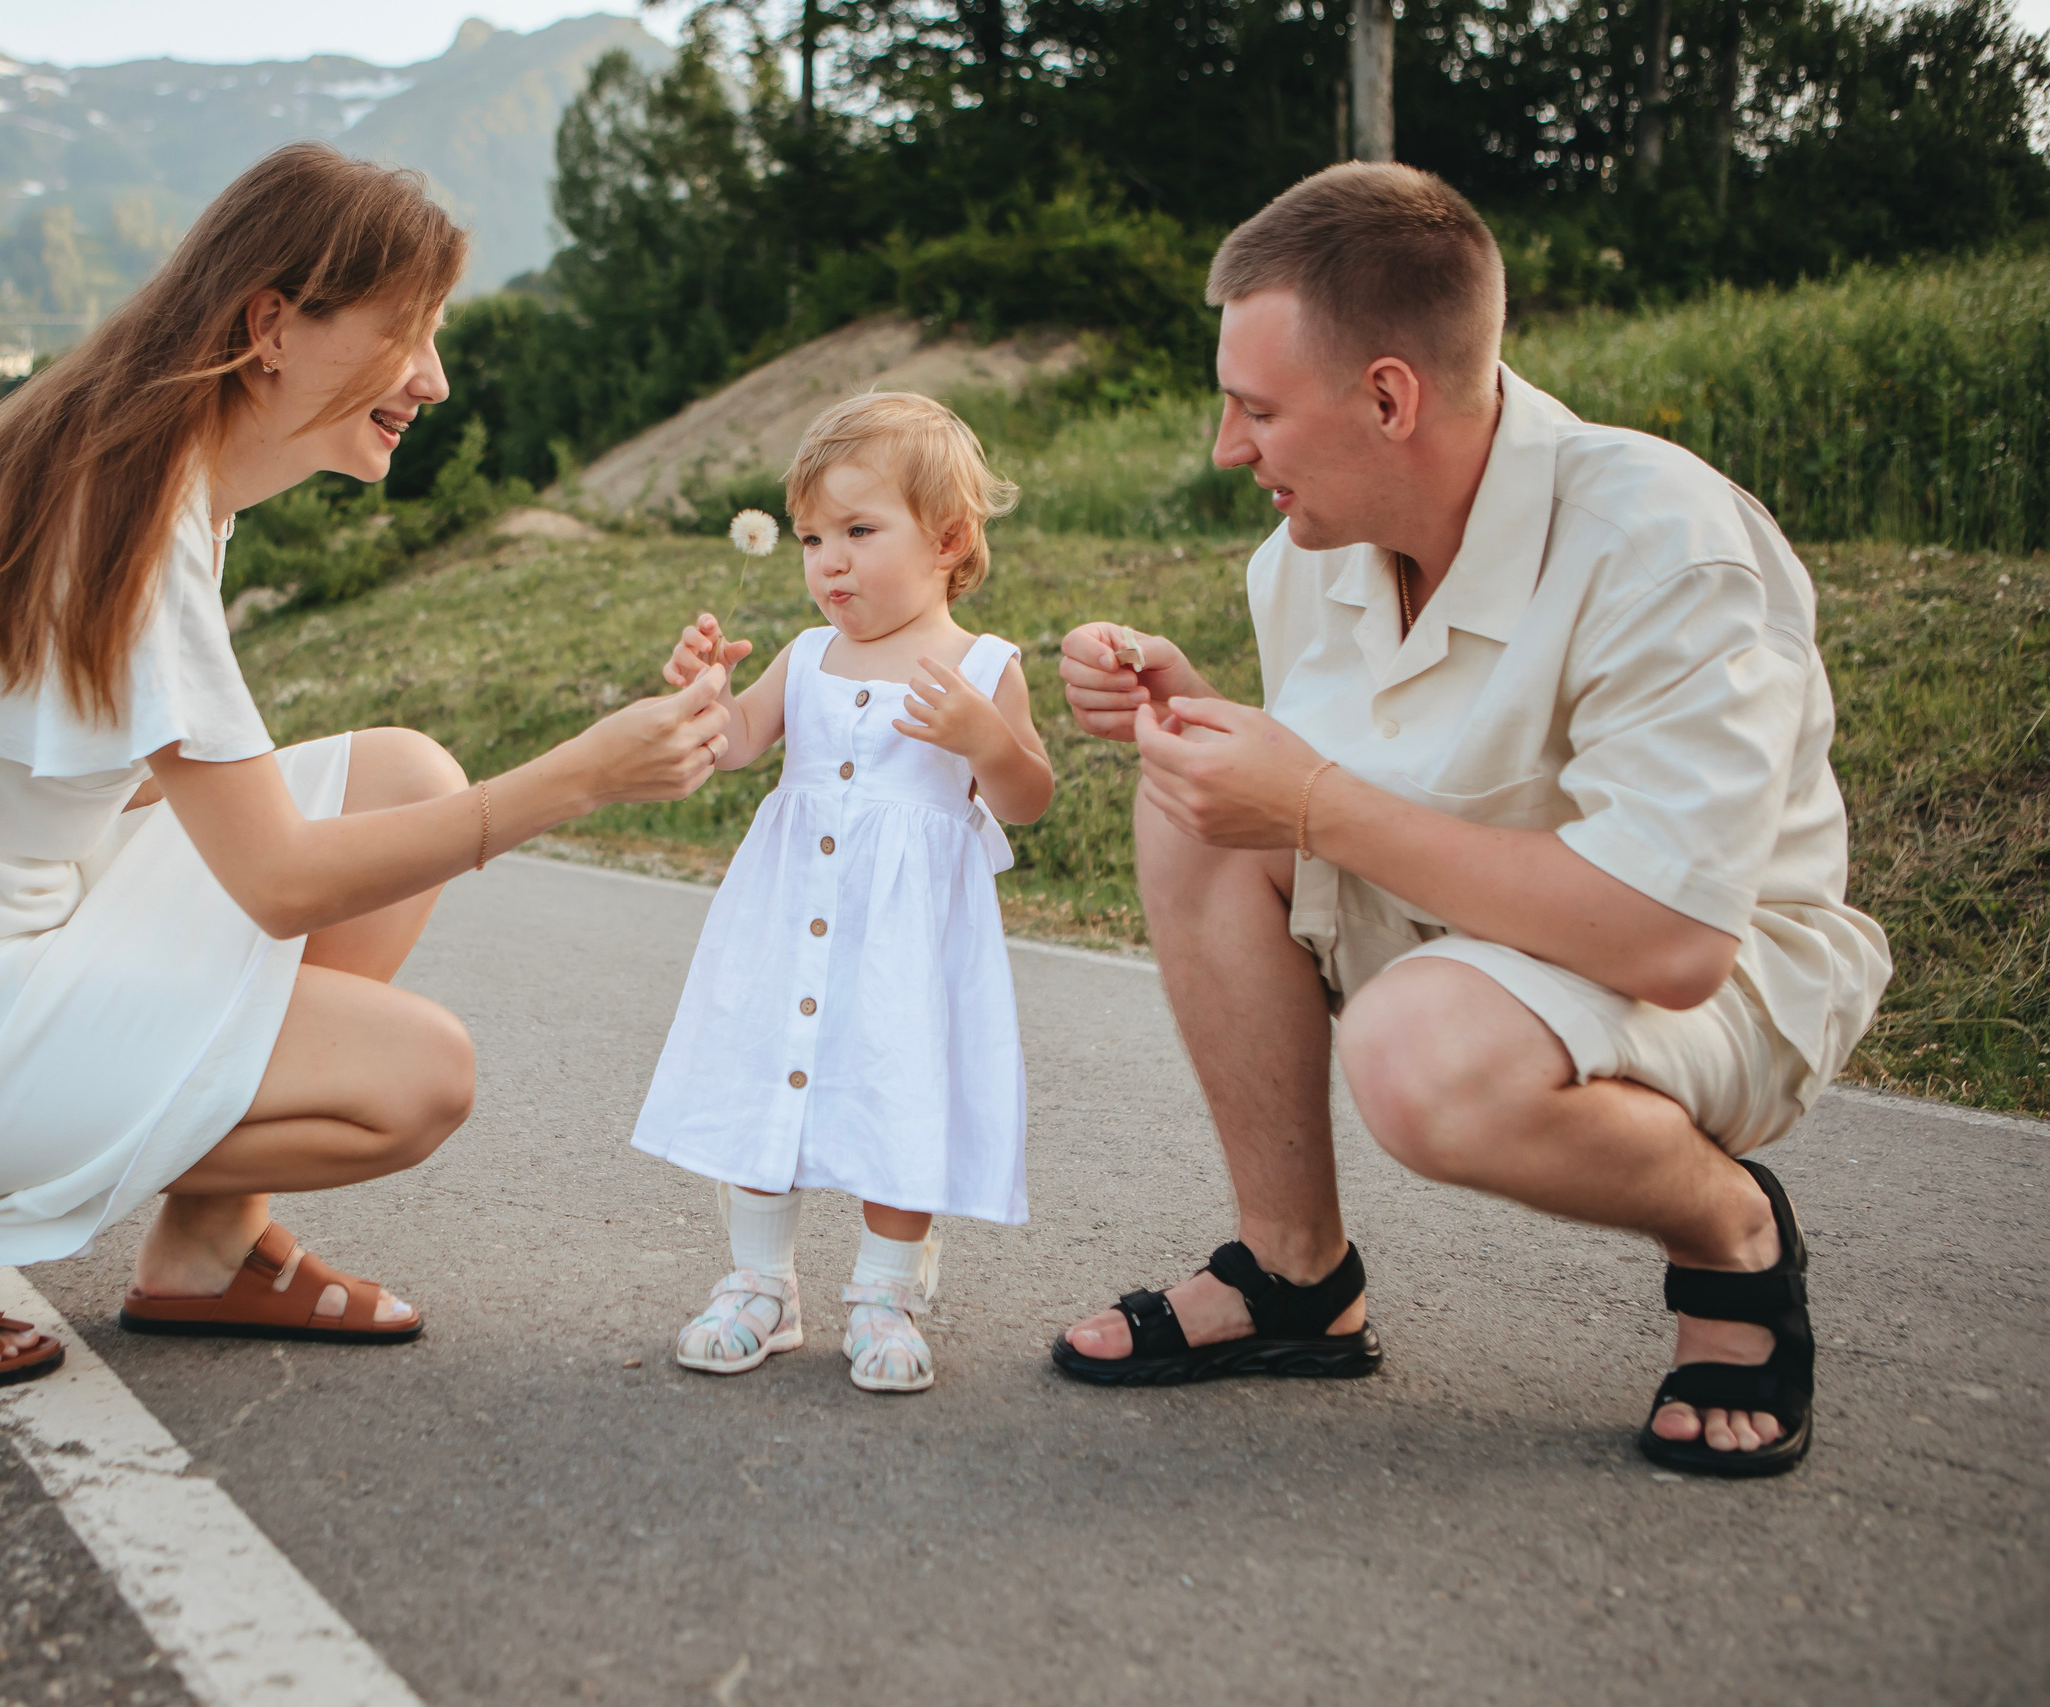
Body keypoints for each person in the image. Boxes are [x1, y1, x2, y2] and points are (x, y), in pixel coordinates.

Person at [0, 145, 733, 1390]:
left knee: (405, 777)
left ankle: (209, 1246)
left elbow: (143, 789)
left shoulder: (147, 481)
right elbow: (276, 880)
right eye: (406, 332)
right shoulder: (127, 518)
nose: (434, 376)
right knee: (417, 1078)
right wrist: (581, 774)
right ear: (271, 324)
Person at [1048, 164, 1889, 1477]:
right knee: (1190, 804)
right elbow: (1367, 780)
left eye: (1255, 407)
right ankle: (1295, 1276)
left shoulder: (1666, 543)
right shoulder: (1308, 553)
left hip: (1715, 977)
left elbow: (1673, 939)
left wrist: (1310, 801)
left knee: (1420, 1051)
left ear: (1389, 396)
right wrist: (1201, 718)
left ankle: (1731, 1229)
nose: (1227, 447)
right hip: (1465, 935)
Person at [634, 393, 1052, 1394]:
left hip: (903, 944)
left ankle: (884, 1294)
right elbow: (736, 744)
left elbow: (1026, 797)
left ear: (947, 540)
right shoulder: (808, 655)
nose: (828, 561)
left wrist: (984, 741)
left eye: (860, 532)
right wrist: (702, 697)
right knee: (766, 1077)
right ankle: (759, 1284)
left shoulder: (981, 668)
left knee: (891, 1094)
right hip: (788, 921)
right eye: (813, 537)